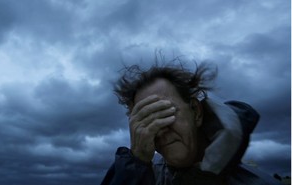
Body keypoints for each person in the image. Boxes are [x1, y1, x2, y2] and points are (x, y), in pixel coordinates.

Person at [100, 61, 279, 185]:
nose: (159, 130)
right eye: (147, 120)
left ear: (196, 111)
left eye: (164, 112)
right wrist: (135, 165)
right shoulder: (149, 178)